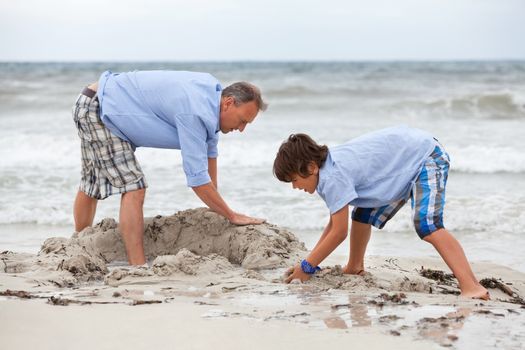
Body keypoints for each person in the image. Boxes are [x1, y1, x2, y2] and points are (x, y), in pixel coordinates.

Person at [72, 70, 267, 265]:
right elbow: (198, 180)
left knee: (93, 182)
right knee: (134, 187)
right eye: (242, 121)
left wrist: (218, 209)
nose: (241, 129)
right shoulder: (196, 111)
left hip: (97, 100)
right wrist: (232, 215)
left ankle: (78, 245)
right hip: (99, 108)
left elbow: (209, 155)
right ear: (229, 103)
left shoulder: (211, 101)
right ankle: (138, 267)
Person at [273, 125, 489, 300]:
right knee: (362, 214)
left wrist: (307, 267)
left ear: (311, 168)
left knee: (428, 225)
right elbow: (333, 224)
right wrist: (309, 263)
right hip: (395, 165)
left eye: (294, 180)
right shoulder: (324, 172)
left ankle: (471, 286)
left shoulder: (331, 177)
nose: (294, 186)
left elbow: (339, 232)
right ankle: (355, 267)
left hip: (425, 157)